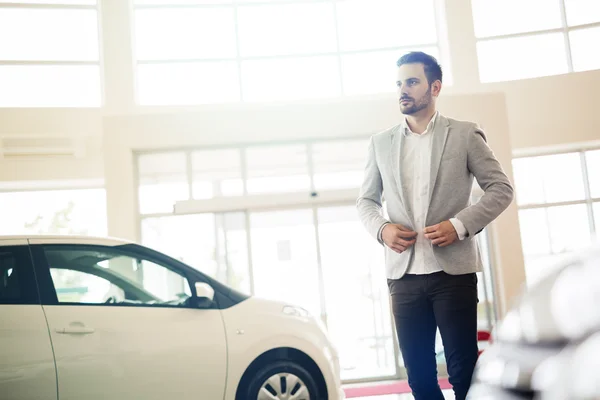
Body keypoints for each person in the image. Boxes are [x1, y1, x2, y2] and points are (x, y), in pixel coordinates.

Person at [356, 51, 514, 400]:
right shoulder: (380, 143)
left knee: (464, 374)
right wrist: (383, 230)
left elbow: (501, 189)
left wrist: (459, 225)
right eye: (399, 83)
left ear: (435, 87)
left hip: (453, 274)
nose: (403, 90)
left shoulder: (464, 134)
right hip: (404, 278)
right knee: (419, 379)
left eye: (412, 82)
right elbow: (365, 202)